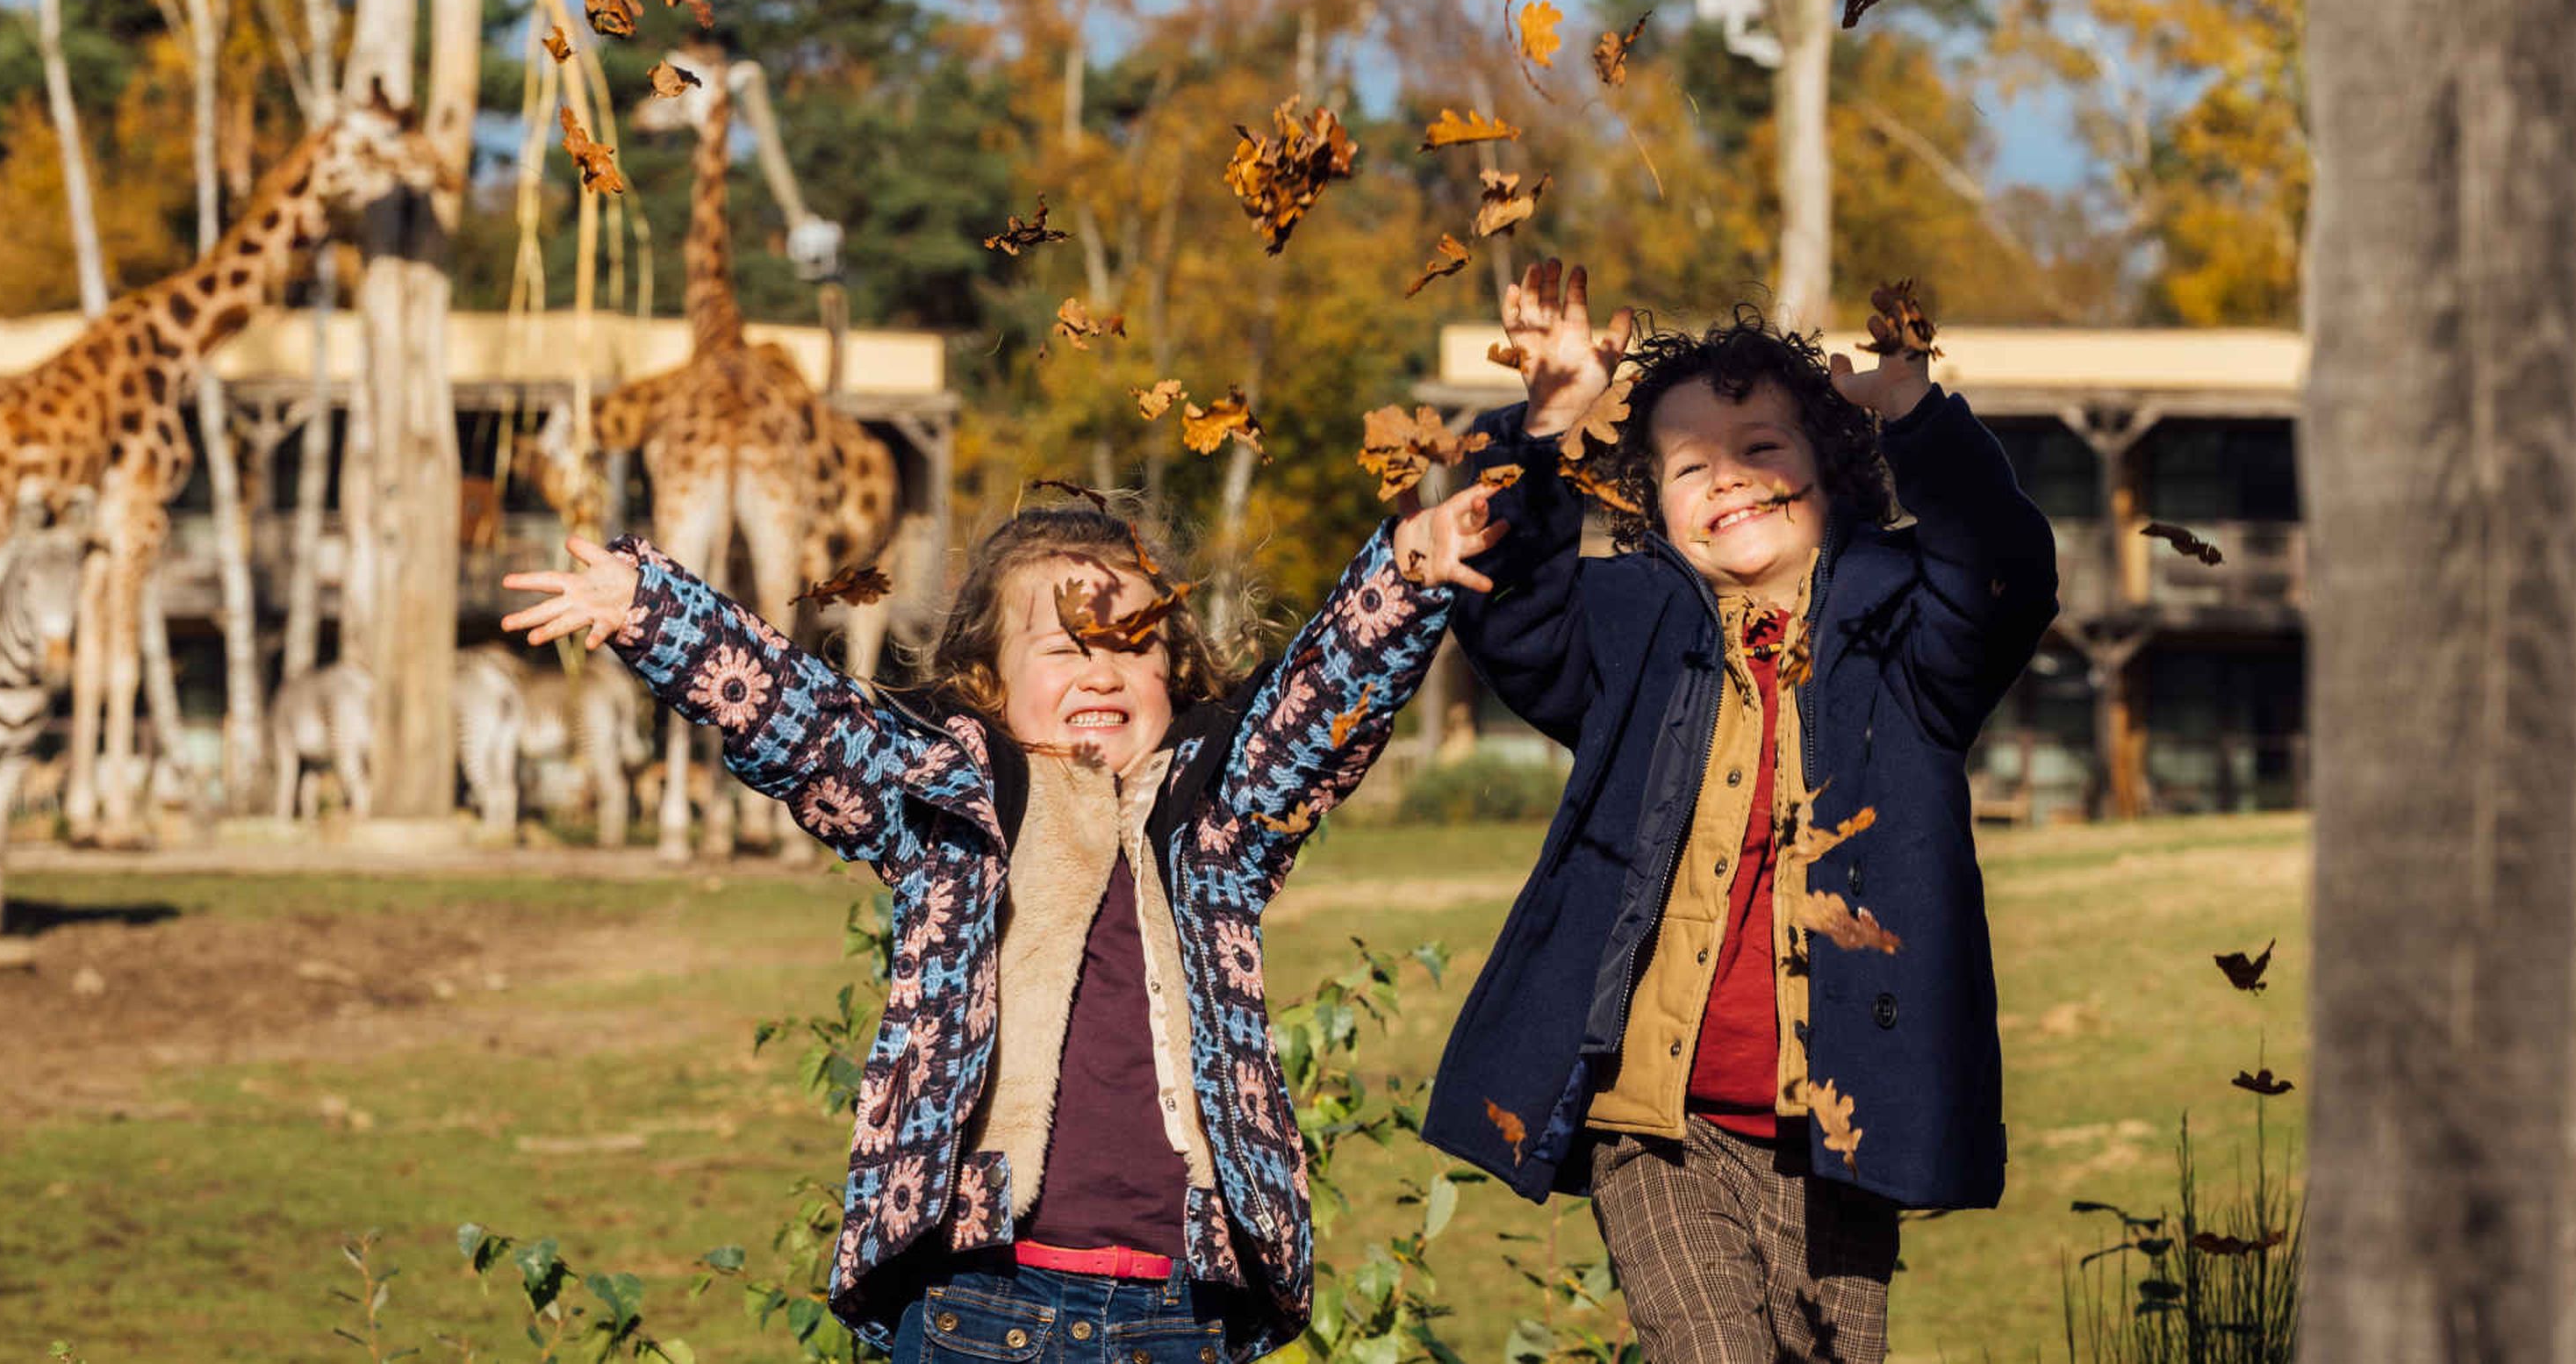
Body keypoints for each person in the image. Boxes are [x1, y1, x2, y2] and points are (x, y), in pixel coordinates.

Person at [504, 476, 1508, 1364]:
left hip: (1181, 1309)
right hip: (981, 1299)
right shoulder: (952, 805)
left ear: (1174, 671)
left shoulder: (1217, 819)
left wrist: (1406, 575)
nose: (1102, 672)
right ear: (989, 680)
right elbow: (806, 723)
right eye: (1065, 648)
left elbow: (1317, 709)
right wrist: (653, 610)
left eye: (1134, 648)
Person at [1419, 262, 2059, 1364]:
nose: (1728, 477)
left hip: (1842, 1132)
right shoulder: (1628, 630)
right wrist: (1550, 426)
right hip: (1657, 1123)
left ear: (1833, 474)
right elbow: (1511, 608)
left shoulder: (1907, 637)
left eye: (1761, 448)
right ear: (1650, 505)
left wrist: (1920, 419)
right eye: (1689, 465)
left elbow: (2004, 574)